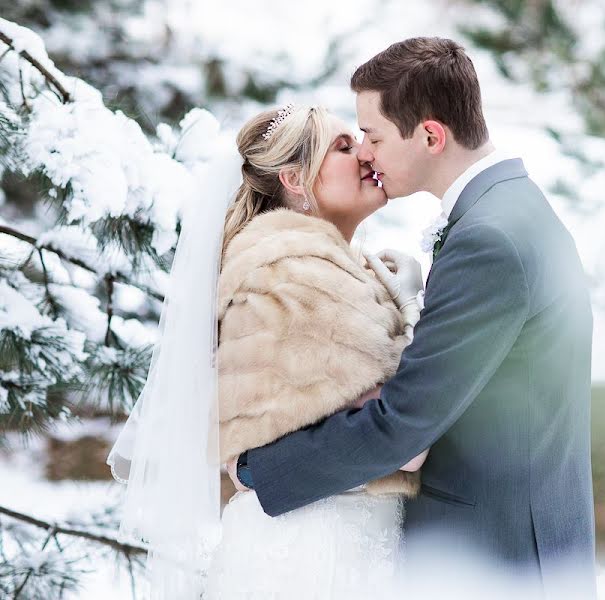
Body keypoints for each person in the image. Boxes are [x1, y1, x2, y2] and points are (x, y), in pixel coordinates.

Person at [230, 37, 597, 599]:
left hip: (499, 554)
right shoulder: (506, 210)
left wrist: (262, 471)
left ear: (430, 135)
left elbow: (403, 423)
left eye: (372, 136)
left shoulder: (489, 239)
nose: (367, 154)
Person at [108, 104, 427, 599]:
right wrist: (413, 314)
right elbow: (405, 435)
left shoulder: (330, 269)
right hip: (316, 552)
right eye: (343, 147)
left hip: (329, 535)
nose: (366, 154)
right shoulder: (294, 272)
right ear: (295, 179)